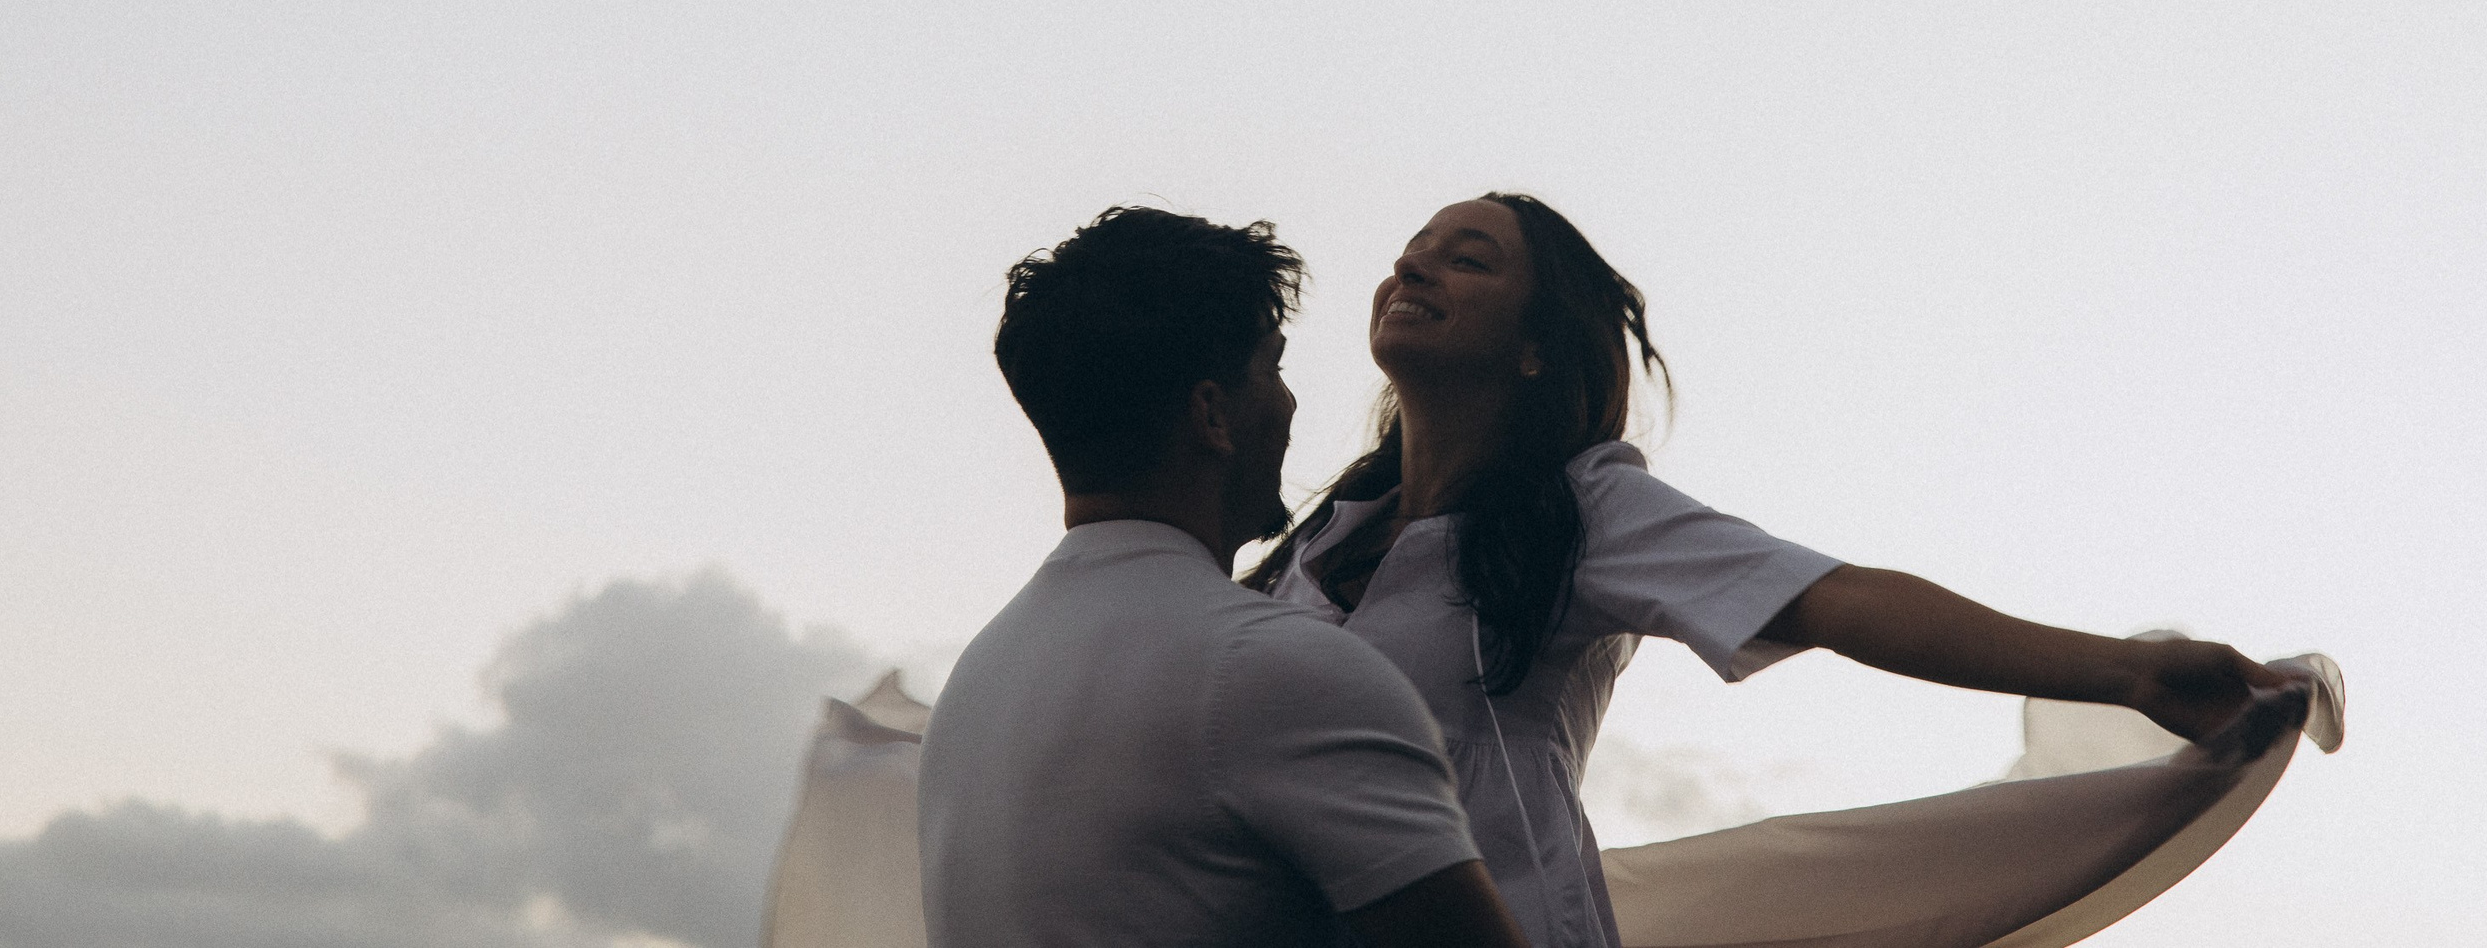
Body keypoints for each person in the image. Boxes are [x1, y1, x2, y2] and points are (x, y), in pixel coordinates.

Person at [1245, 193, 2289, 948]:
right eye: (1411, 251)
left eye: (1465, 259)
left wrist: (2129, 674)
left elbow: (1839, 601)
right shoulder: (1320, 543)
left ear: (1536, 349)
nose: (1412, 269)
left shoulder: (1587, 508)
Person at [919, 206, 1532, 948]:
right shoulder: (1276, 669)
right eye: (1272, 366)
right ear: (1213, 414)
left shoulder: (977, 683)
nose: (1289, 399)